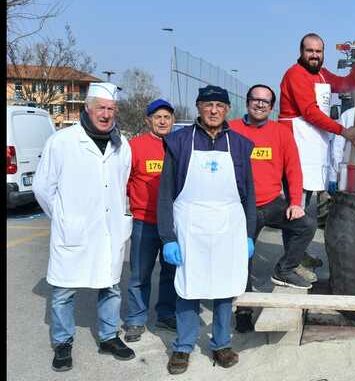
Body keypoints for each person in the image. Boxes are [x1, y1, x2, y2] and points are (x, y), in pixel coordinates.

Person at [33, 82, 135, 372]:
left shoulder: (122, 144)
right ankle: (63, 343)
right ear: (87, 109)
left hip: (109, 228)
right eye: (101, 108)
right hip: (74, 229)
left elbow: (122, 184)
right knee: (65, 291)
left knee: (111, 286)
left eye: (111, 109)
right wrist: (64, 217)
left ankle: (108, 337)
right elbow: (43, 187)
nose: (106, 114)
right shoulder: (62, 141)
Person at [156, 85, 256, 375]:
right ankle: (183, 346)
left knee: (224, 288)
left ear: (227, 110)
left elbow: (248, 194)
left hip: (228, 227)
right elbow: (165, 195)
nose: (214, 111)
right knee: (189, 287)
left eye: (220, 106)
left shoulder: (239, 144)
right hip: (190, 226)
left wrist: (249, 233)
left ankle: (222, 343)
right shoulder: (178, 142)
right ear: (198, 107)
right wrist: (168, 238)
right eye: (208, 105)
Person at [229, 84, 317, 332]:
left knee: (306, 225)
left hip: (270, 202)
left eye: (265, 102)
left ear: (271, 106)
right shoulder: (231, 129)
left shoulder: (281, 133)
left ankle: (284, 269)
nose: (260, 104)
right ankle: (244, 311)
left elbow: (293, 169)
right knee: (243, 261)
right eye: (255, 100)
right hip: (240, 208)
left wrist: (296, 202)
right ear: (247, 102)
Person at [279, 33, 355, 268]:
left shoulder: (321, 74)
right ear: (301, 51)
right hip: (296, 144)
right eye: (310, 51)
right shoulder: (295, 74)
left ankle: (299, 253)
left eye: (318, 51)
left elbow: (347, 84)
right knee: (298, 206)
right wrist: (342, 130)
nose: (314, 55)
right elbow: (309, 111)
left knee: (308, 206)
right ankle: (292, 260)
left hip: (313, 147)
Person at [122, 99, 178, 342]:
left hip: (173, 225)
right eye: (158, 117)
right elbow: (122, 181)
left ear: (173, 120)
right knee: (139, 274)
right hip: (144, 222)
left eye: (167, 117)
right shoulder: (134, 147)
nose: (163, 121)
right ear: (149, 121)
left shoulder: (179, 146)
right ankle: (136, 319)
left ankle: (166, 314)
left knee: (170, 272)